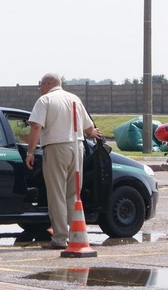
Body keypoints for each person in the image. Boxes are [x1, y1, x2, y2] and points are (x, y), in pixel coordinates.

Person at [25, 73, 101, 249]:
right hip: (77, 147)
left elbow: (36, 126)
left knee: (56, 194)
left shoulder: (45, 101)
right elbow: (89, 128)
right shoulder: (74, 99)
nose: (39, 89)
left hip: (56, 148)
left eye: (40, 85)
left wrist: (30, 151)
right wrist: (94, 134)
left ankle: (59, 239)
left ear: (47, 84)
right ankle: (77, 235)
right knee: (73, 195)